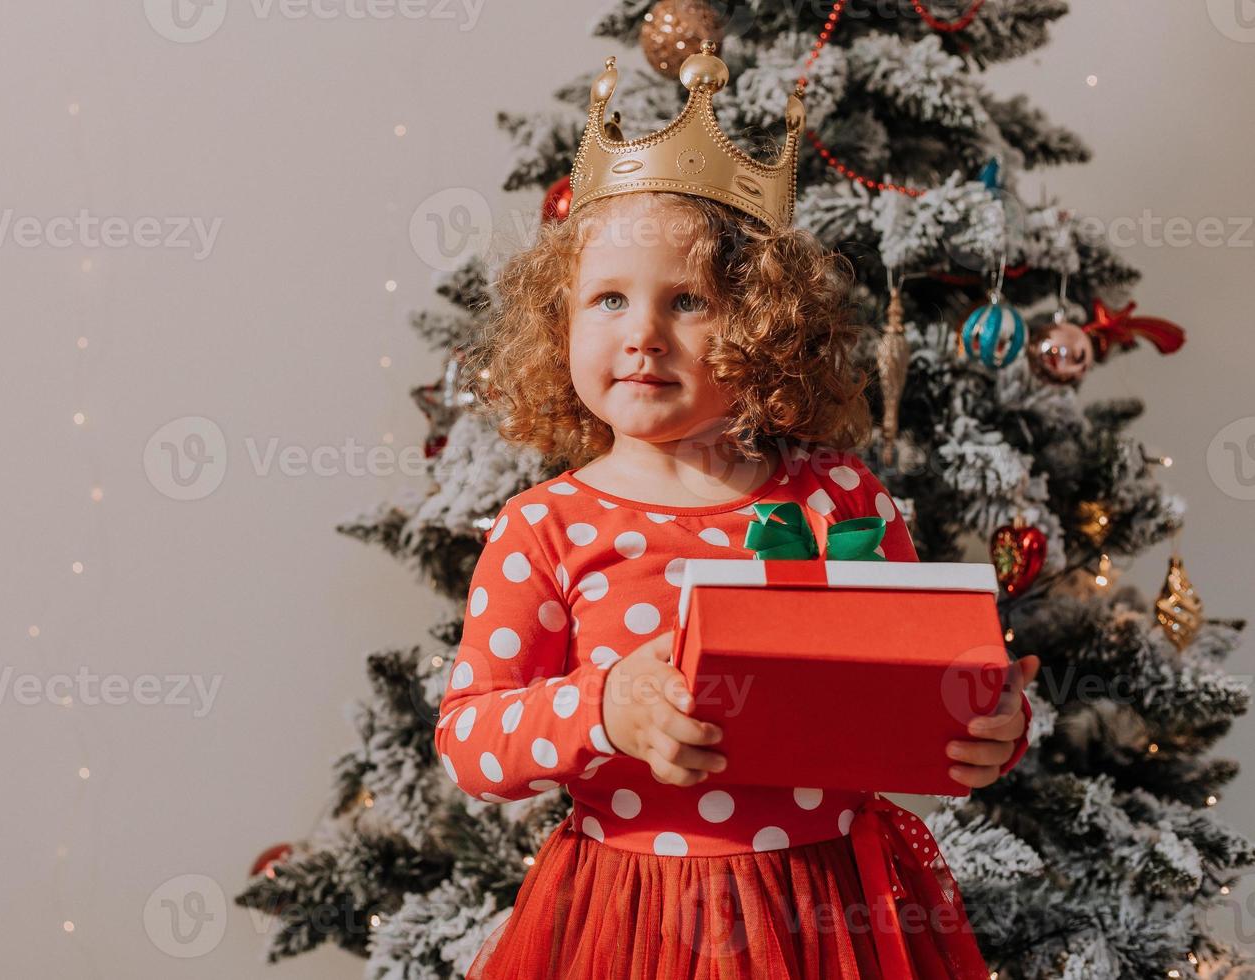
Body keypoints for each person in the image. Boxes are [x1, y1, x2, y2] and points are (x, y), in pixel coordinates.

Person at [434, 42, 1038, 979]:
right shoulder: (545, 528)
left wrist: (986, 726)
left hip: (834, 912)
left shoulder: (842, 495)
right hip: (635, 920)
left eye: (688, 301)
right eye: (607, 300)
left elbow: (920, 687)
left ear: (762, 322)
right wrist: (602, 707)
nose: (642, 335)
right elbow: (469, 740)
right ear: (560, 325)